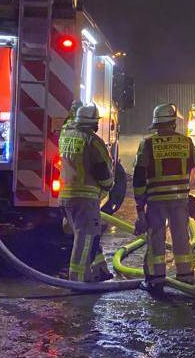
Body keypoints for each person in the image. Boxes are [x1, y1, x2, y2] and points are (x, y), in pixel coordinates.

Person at [132, 103, 195, 292]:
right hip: (180, 199)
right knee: (181, 237)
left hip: (156, 200)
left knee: (156, 238)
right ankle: (185, 277)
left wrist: (139, 206)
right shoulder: (186, 142)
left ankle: (155, 279)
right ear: (173, 123)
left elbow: (139, 176)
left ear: (156, 124)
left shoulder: (148, 144)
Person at [57, 104, 115, 282]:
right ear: (92, 123)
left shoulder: (65, 136)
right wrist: (108, 185)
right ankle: (78, 277)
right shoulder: (93, 141)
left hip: (66, 196)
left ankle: (99, 269)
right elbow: (102, 170)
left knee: (90, 234)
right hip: (86, 197)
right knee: (85, 237)